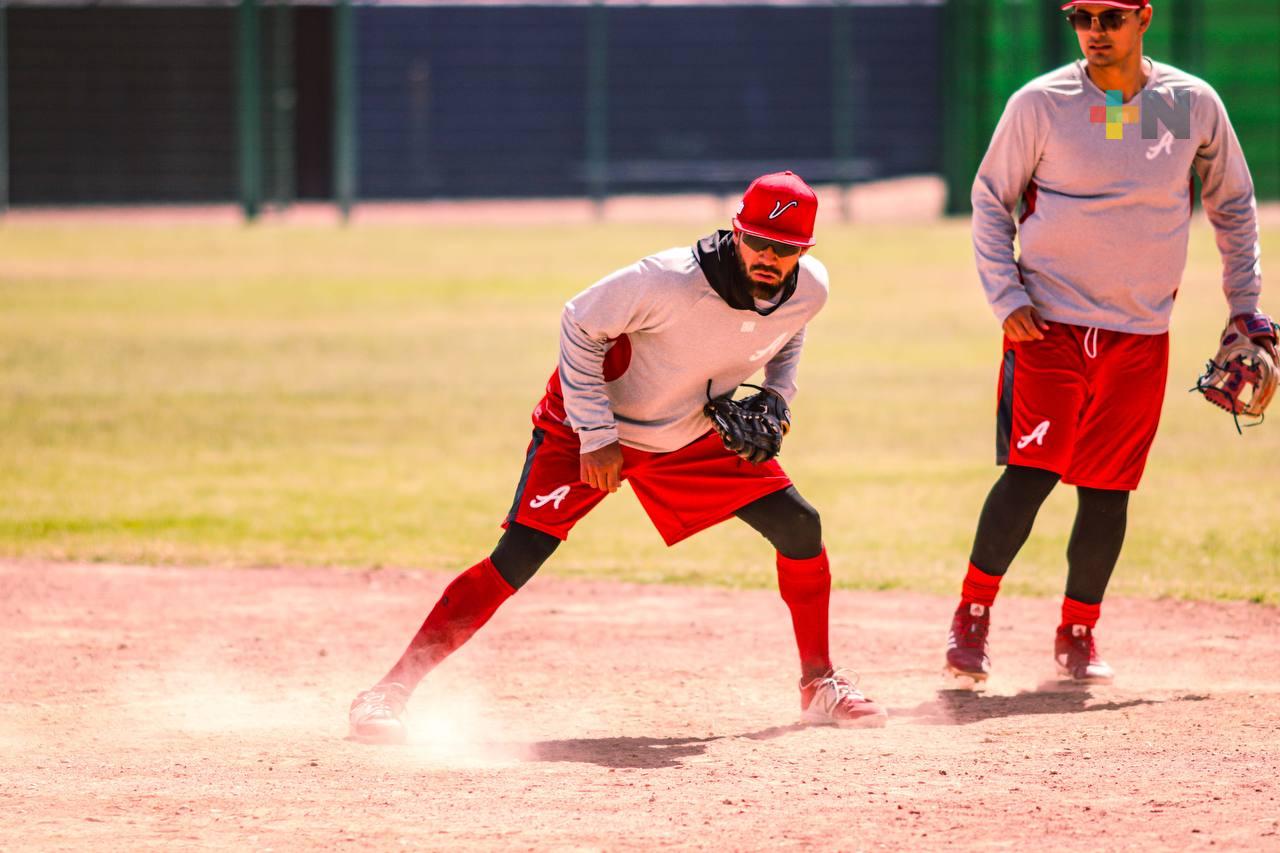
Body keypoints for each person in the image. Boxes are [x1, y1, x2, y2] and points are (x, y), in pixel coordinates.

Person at [349, 171, 887, 743]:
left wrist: (778, 396)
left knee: (799, 526)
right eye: (758, 240)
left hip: (685, 428)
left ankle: (819, 684)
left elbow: (789, 327)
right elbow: (579, 322)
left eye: (785, 249)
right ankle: (388, 691)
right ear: (736, 230)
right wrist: (595, 432)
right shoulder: (665, 280)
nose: (769, 256)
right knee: (519, 554)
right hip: (585, 424)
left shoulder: (810, 289)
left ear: (805, 251)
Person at [945, 0, 1273, 687]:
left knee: (1107, 488)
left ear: (1144, 17)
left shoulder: (1185, 104)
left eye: (1111, 16)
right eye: (1081, 17)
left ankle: (1078, 632)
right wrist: (1006, 297)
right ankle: (972, 616)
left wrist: (1246, 308)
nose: (1095, 30)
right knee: (1031, 472)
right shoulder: (1043, 104)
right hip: (1048, 325)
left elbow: (1233, 204)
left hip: (1140, 333)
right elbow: (988, 197)